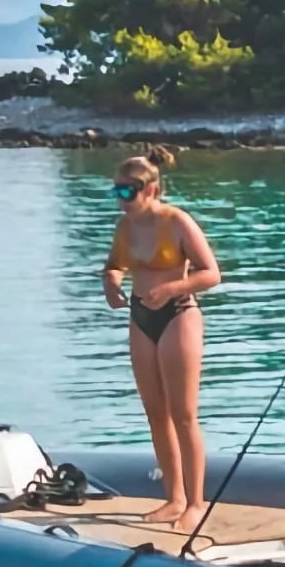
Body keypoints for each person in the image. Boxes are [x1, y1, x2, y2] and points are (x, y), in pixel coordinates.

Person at [101, 147, 222, 524]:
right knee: (156, 413)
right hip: (140, 316)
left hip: (178, 314)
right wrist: (111, 282)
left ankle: (196, 503)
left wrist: (172, 288)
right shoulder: (126, 226)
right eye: (116, 192)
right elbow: (115, 265)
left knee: (183, 414)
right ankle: (173, 497)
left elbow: (211, 273)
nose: (121, 201)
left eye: (127, 193)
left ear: (150, 190)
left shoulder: (176, 221)